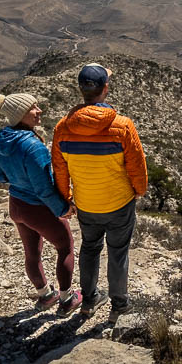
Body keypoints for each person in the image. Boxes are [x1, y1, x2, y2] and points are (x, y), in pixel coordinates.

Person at [51, 63, 147, 318]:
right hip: (119, 204)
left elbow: (60, 170)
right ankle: (119, 304)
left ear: (82, 90)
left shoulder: (62, 128)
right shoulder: (122, 126)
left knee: (90, 249)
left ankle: (89, 299)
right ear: (105, 89)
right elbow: (137, 166)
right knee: (118, 252)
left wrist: (66, 200)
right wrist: (139, 190)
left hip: (86, 204)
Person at [0, 92, 81, 315]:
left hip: (17, 205)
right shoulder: (33, 147)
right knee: (65, 247)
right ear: (20, 114)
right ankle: (67, 299)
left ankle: (44, 296)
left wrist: (17, 177)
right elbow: (43, 188)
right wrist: (63, 208)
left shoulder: (2, 139)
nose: (39, 111)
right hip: (38, 208)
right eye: (33, 108)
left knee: (32, 253)